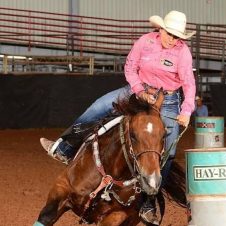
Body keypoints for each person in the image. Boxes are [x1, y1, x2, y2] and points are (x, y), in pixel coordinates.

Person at [40, 10, 196, 225]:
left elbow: (189, 83)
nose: (173, 39)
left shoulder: (183, 52)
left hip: (167, 101)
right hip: (137, 90)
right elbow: (131, 67)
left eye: (177, 36)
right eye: (170, 33)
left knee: (168, 152)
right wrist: (139, 90)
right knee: (97, 107)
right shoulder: (145, 41)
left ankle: (149, 200)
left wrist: (186, 110)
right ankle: (64, 148)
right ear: (161, 29)